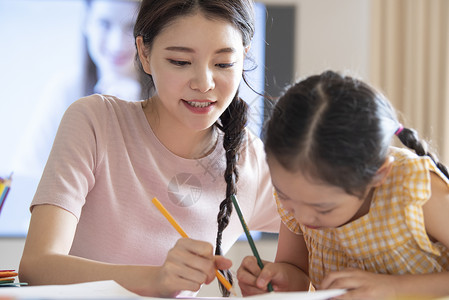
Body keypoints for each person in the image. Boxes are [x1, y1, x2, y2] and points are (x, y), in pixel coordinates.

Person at [18, 0, 280, 298]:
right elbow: (37, 267)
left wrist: (285, 276)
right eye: (180, 62)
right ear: (144, 53)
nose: (204, 83)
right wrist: (156, 279)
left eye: (223, 64)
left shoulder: (248, 157)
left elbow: (328, 226)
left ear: (244, 57)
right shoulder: (95, 121)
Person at [237, 70, 449, 299]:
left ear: (378, 174)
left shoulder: (415, 188)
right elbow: (297, 272)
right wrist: (278, 280)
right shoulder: (302, 200)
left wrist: (393, 288)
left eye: (324, 208)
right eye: (286, 199)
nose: (304, 218)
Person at [12, 0, 148, 179]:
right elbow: (25, 177)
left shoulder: (168, 95)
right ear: (86, 22)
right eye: (104, 24)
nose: (116, 43)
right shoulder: (65, 90)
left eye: (131, 27)